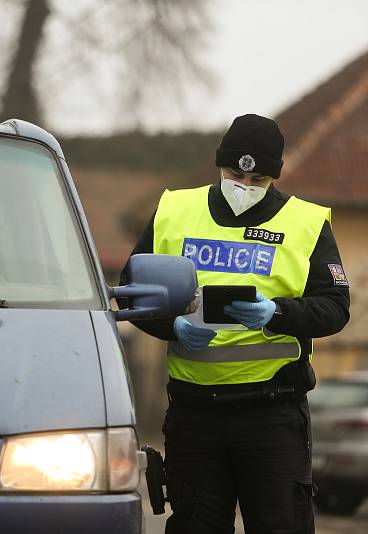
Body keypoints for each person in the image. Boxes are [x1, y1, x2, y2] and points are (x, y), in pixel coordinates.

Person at [125, 114, 350, 533]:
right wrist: (172, 325)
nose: (244, 186)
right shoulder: (174, 210)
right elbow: (133, 292)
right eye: (234, 174)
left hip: (272, 416)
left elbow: (335, 307)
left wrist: (279, 313)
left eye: (259, 179)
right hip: (195, 415)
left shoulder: (306, 224)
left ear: (275, 176)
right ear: (220, 165)